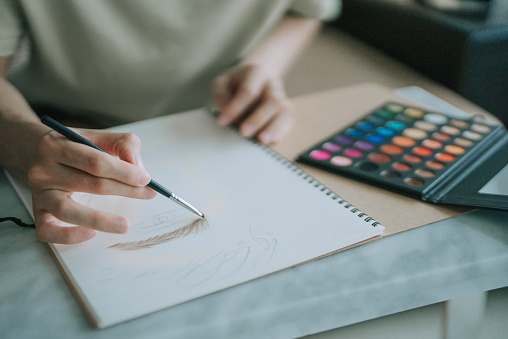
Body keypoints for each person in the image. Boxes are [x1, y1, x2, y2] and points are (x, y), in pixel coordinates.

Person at [0, 0, 340, 244]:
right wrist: (22, 136)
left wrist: (263, 67)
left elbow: (307, 10)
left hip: (217, 121)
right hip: (59, 124)